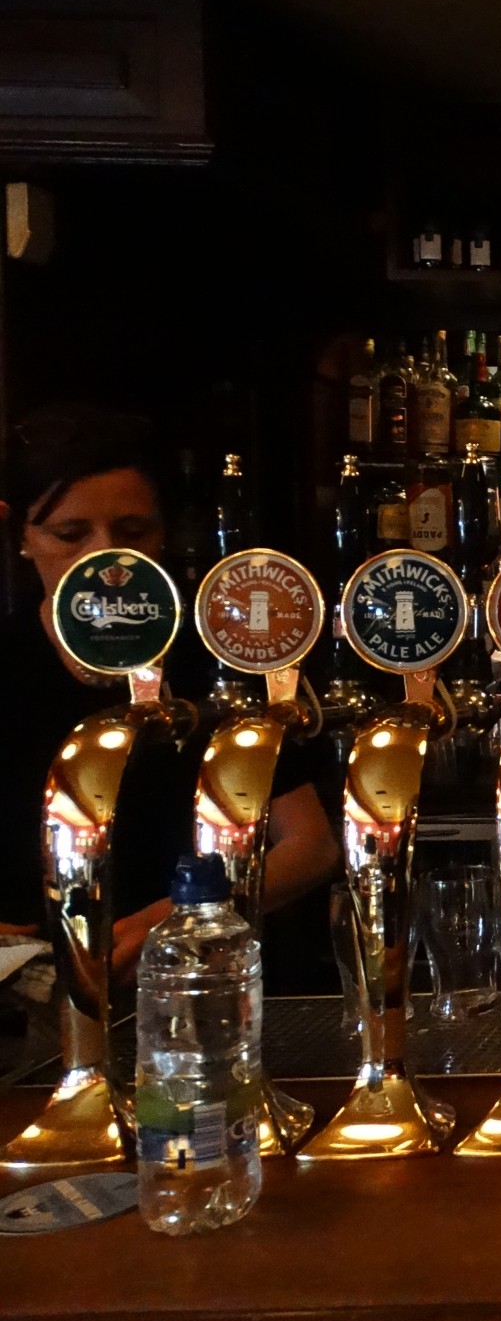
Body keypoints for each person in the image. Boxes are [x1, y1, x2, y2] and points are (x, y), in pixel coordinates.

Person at [0, 407, 339, 978]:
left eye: (133, 532)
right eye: (70, 534)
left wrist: (179, 920)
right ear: (20, 537)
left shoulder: (219, 659)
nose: (106, 559)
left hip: (204, 982)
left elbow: (311, 846)